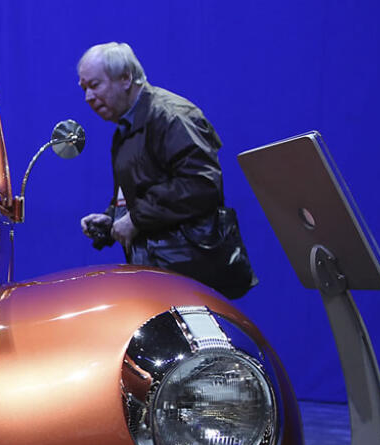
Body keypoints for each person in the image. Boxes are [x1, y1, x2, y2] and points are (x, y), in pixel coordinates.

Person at [77, 43, 251, 295]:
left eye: (94, 85)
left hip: (190, 275)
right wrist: (112, 219)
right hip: (161, 272)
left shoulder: (171, 116)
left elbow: (201, 184)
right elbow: (143, 190)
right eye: (83, 89)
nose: (88, 98)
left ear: (125, 78)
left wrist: (136, 219)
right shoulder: (126, 127)